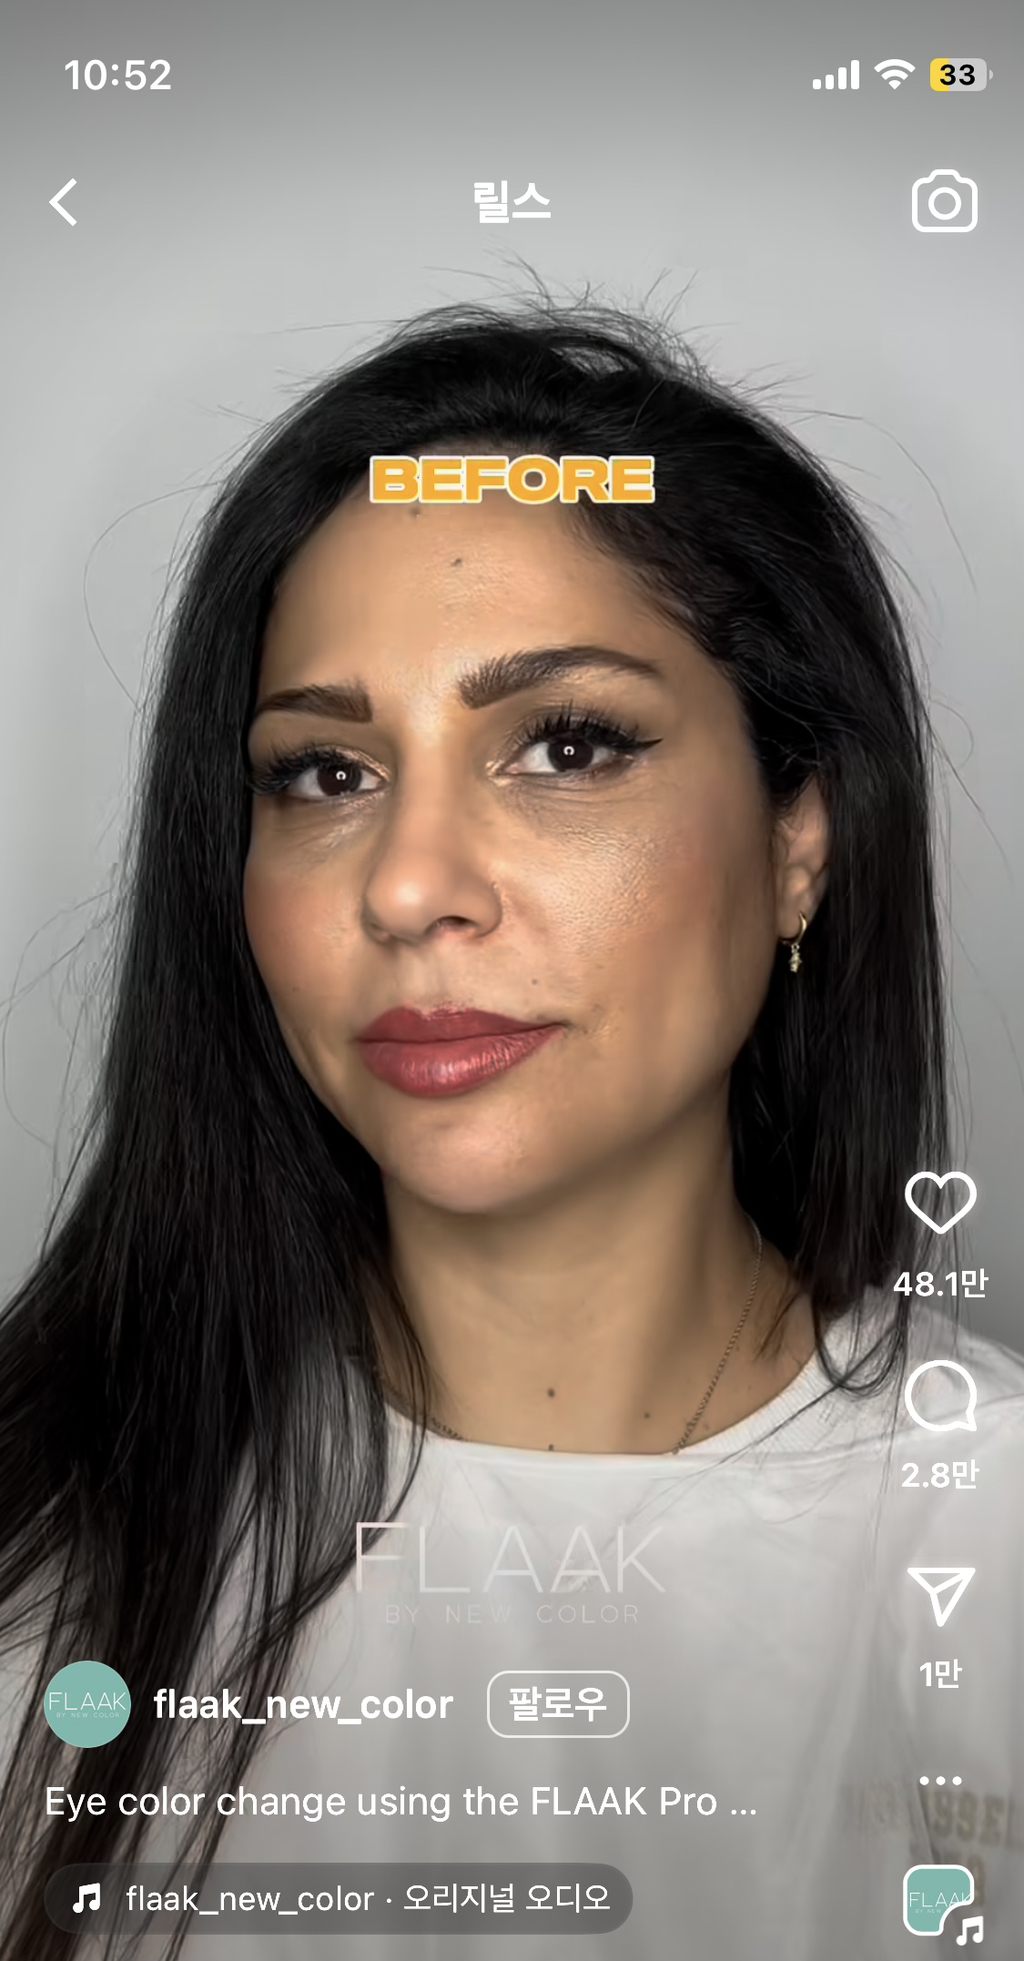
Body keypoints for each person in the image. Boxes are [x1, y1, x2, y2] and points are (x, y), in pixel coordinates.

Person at [1, 298, 1022, 1960]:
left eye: (566, 744)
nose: (408, 886)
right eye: (324, 773)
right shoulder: (43, 1550)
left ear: (801, 842)